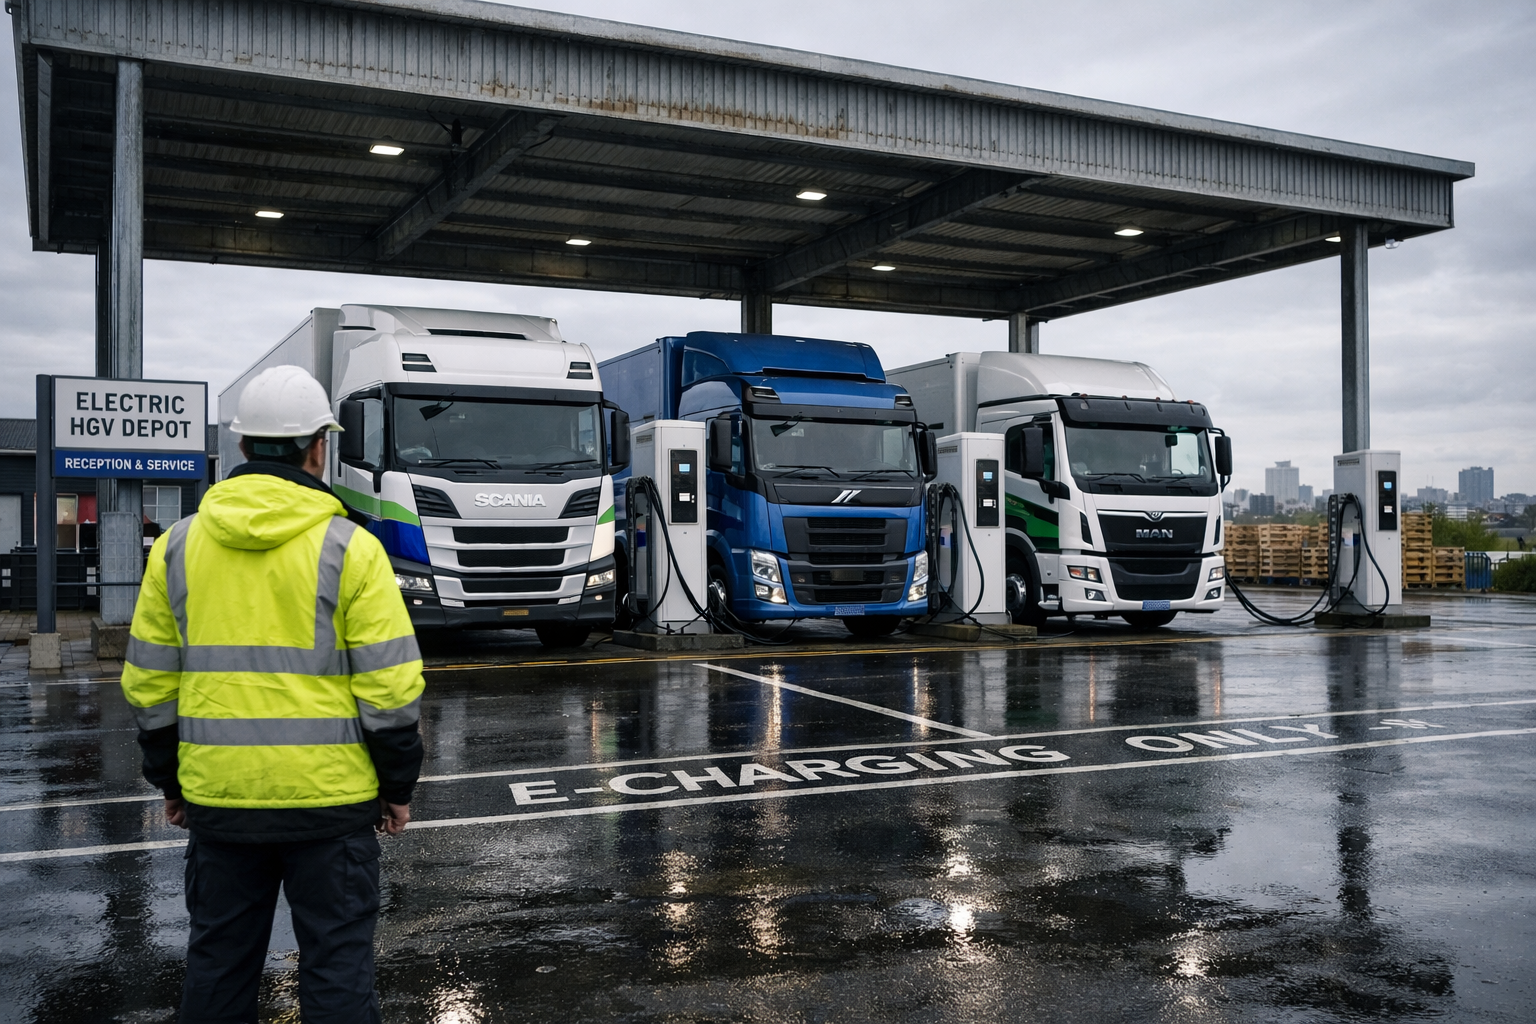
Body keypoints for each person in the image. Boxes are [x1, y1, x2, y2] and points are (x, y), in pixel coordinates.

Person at [120, 365, 425, 1023]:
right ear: (320, 446)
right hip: (333, 808)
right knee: (338, 975)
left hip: (220, 804)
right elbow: (390, 688)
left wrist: (170, 781)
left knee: (219, 970)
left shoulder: (176, 548)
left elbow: (149, 686)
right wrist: (397, 788)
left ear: (242, 447)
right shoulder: (352, 549)